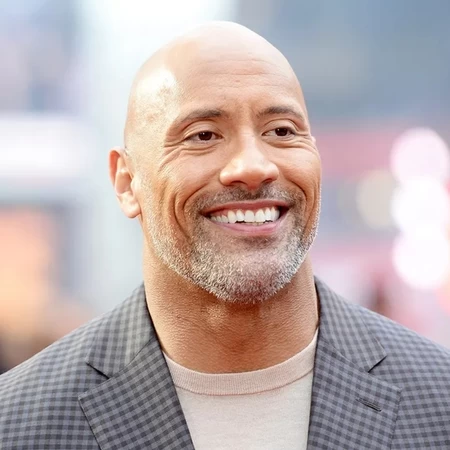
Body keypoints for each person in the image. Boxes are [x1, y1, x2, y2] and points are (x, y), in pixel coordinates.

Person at [1, 21, 449, 450]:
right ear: (126, 182)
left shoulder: (439, 400)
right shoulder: (19, 423)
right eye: (203, 135)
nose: (253, 166)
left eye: (281, 131)